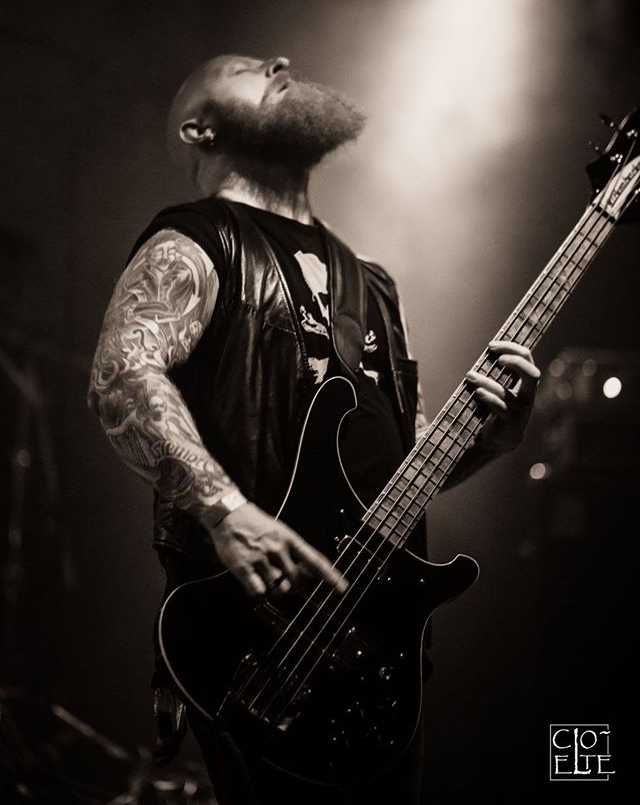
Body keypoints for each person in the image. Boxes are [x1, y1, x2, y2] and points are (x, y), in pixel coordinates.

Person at [87, 54, 540, 805]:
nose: (280, 62)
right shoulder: (197, 241)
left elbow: (402, 470)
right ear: (200, 129)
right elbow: (121, 376)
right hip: (257, 642)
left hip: (377, 650)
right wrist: (226, 513)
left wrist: (486, 445)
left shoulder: (373, 283)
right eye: (245, 67)